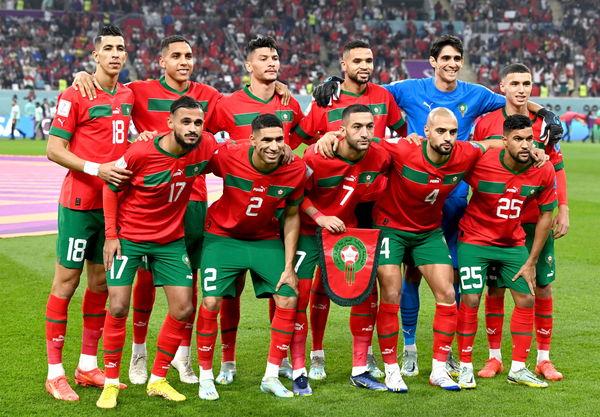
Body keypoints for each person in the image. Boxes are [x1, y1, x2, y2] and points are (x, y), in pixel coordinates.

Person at [312, 34, 563, 377]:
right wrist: (335, 84)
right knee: (406, 278)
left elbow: (514, 100)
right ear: (432, 61)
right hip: (405, 195)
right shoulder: (406, 89)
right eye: (445, 58)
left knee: (457, 280)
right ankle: (410, 347)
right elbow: (368, 88)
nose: (452, 64)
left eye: (457, 58)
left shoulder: (475, 94)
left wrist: (544, 111)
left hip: (453, 197)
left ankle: (451, 356)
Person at [73, 34, 223, 385]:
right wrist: (84, 75)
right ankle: (138, 352)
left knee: (188, 282)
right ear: (162, 61)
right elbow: (107, 84)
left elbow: (247, 121)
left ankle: (181, 357)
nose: (184, 61)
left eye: (189, 55)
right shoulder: (139, 90)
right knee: (142, 278)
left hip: (192, 197)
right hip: (146, 201)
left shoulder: (210, 96)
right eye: (176, 55)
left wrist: (279, 87)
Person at [291, 40, 405, 380]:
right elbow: (298, 140)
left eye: (369, 59)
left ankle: (365, 358)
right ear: (343, 64)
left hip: (365, 205)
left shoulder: (384, 97)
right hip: (323, 205)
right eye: (357, 60)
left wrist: (406, 143)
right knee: (308, 288)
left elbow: (400, 140)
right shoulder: (326, 99)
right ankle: (314, 354)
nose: (365, 65)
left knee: (363, 282)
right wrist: (321, 138)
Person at [96, 96, 219, 409]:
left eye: (198, 122)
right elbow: (110, 188)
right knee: (120, 306)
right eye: (186, 121)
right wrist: (111, 235)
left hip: (170, 240)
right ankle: (111, 383)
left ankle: (158, 379)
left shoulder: (205, 146)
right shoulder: (140, 152)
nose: (192, 128)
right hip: (130, 238)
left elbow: (240, 147)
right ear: (170, 123)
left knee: (183, 308)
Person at [205, 36, 303, 385]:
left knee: (280, 290)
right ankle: (228, 362)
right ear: (249, 66)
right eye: (264, 58)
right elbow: (202, 138)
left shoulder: (290, 104)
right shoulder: (227, 104)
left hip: (273, 213)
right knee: (228, 293)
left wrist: (297, 147)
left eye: (276, 57)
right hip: (235, 209)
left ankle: (284, 362)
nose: (272, 63)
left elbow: (304, 133)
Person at [44, 24, 134, 402]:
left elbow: (128, 135)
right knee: (67, 282)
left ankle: (86, 365)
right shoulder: (75, 92)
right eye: (108, 48)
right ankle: (54, 373)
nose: (115, 53)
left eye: (120, 48)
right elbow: (53, 149)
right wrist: (96, 169)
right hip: (80, 204)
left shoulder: (128, 95)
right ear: (95, 55)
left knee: (99, 284)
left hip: (113, 207)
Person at [195, 114, 305, 400]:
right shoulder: (229, 155)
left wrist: (289, 266)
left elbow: (292, 216)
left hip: (264, 240)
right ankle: (207, 375)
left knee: (288, 295)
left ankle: (270, 376)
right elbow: (194, 150)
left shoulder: (295, 169)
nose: (273, 146)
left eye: (279, 139)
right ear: (252, 140)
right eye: (266, 140)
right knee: (211, 301)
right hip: (222, 237)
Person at [472, 63, 569, 381]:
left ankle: (543, 359)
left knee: (542, 286)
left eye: (527, 83)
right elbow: (475, 166)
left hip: (535, 219)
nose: (522, 88)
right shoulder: (485, 122)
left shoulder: (544, 124)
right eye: (515, 83)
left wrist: (563, 209)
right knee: (496, 288)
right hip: (499, 222)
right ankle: (494, 358)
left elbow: (556, 166)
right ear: (502, 86)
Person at [294, 104, 391, 395]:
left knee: (365, 291)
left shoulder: (379, 155)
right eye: (357, 127)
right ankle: (301, 367)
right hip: (308, 231)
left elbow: (402, 154)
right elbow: (294, 193)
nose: (364, 133)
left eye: (369, 127)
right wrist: (318, 217)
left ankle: (360, 369)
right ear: (342, 129)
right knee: (297, 295)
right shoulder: (316, 155)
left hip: (345, 232)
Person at [456, 114, 557, 389]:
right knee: (471, 300)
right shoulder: (481, 163)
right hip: (475, 240)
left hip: (513, 244)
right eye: (518, 139)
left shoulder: (542, 169)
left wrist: (532, 260)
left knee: (526, 299)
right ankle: (465, 366)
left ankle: (519, 368)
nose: (525, 145)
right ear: (504, 141)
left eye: (529, 139)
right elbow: (451, 164)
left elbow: (547, 214)